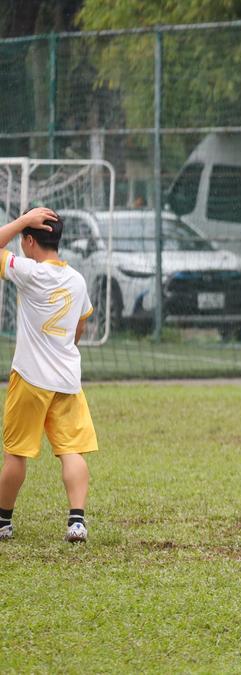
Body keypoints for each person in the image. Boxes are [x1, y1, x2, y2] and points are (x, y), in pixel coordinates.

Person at [0, 208, 97, 545]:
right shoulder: (77, 279)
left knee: (16, 454)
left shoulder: (28, 271)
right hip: (67, 381)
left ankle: (3, 522)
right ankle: (77, 522)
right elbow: (80, 326)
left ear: (29, 241)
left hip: (29, 379)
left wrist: (21, 220)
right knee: (72, 451)